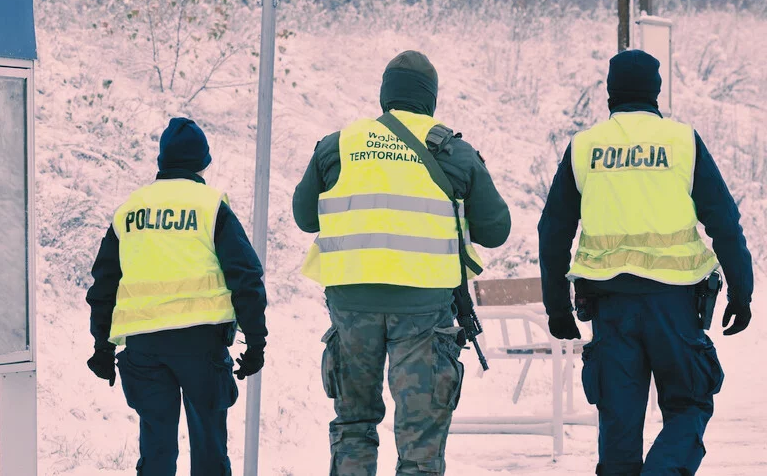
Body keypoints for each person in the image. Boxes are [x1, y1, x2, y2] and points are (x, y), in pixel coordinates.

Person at [292, 51, 511, 476]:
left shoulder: (338, 145)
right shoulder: (454, 153)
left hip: (351, 306)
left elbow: (305, 218)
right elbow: (496, 230)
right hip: (424, 312)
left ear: (384, 95)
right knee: (420, 442)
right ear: (430, 98)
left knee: (354, 424)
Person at [539, 49, 753, 476]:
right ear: (656, 92)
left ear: (609, 93)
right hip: (674, 304)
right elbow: (724, 222)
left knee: (619, 422)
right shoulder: (682, 142)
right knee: (689, 403)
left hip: (609, 306)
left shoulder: (584, 147)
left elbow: (553, 231)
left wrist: (557, 307)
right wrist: (741, 290)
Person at [86, 117, 268, 476]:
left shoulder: (130, 210)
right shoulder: (210, 206)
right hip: (201, 345)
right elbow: (245, 277)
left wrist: (102, 347)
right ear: (204, 162)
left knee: (155, 449)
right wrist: (256, 341)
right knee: (209, 449)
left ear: (161, 161)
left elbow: (104, 285)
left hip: (143, 347)